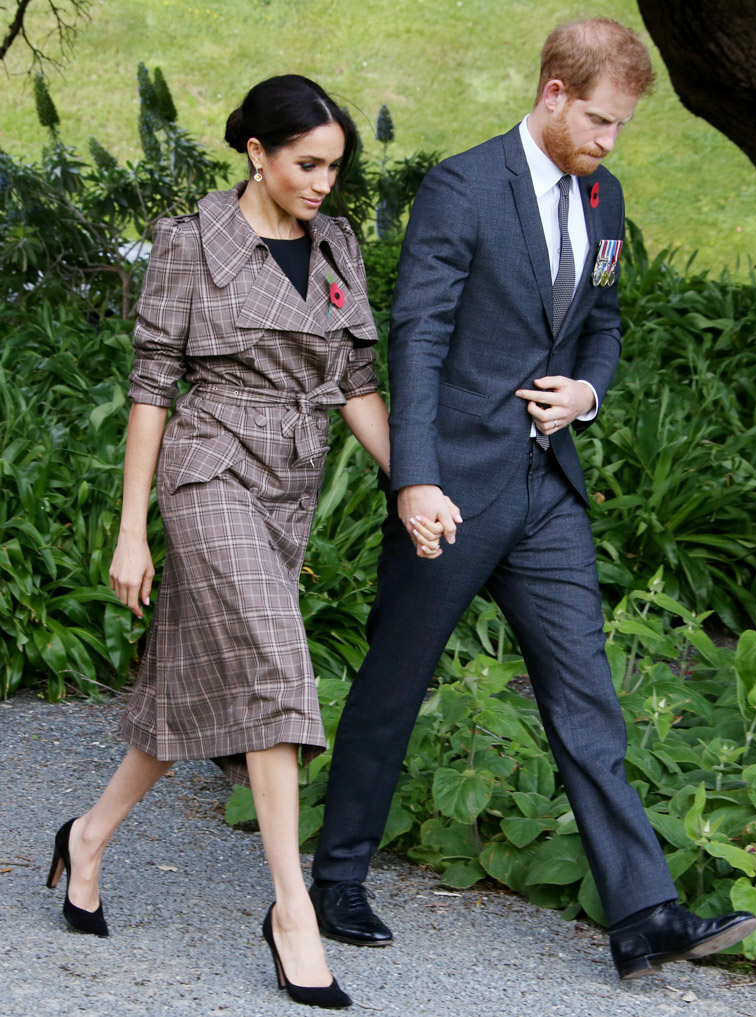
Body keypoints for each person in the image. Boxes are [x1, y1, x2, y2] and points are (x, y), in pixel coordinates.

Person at [310, 20, 756, 980]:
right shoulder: (466, 187)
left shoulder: (605, 195)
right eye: (599, 119)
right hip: (456, 487)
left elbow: (605, 319)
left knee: (588, 699)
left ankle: (643, 915)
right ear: (554, 90)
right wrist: (414, 476)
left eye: (622, 127)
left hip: (549, 490)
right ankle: (335, 875)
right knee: (396, 681)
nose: (609, 140)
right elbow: (418, 337)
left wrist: (588, 393)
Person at [45, 74, 399, 1011]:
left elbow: (356, 377)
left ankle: (86, 837)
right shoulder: (192, 242)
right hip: (208, 468)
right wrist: (132, 531)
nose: (324, 181)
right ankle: (293, 912)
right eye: (307, 163)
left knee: (191, 679)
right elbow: (153, 383)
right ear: (257, 152)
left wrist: (412, 481)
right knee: (277, 666)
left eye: (335, 166)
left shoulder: (336, 244)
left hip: (289, 480)